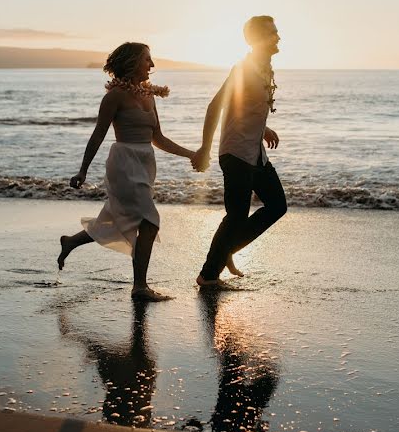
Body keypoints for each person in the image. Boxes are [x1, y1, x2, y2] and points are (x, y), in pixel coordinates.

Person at [58, 42, 194, 301]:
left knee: (117, 218)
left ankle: (71, 242)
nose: (152, 65)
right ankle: (140, 287)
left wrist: (191, 154)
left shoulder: (150, 95)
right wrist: (83, 170)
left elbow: (159, 138)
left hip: (145, 161)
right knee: (149, 222)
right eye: (147, 60)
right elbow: (98, 134)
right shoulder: (114, 97)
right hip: (124, 163)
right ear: (132, 62)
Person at [191, 16, 287, 286]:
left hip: (255, 152)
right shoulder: (243, 70)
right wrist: (205, 149)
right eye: (272, 33)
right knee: (236, 216)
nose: (278, 37)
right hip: (235, 152)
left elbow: (248, 104)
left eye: (277, 32)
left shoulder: (265, 69)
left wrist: (263, 127)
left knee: (277, 206)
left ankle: (224, 252)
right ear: (256, 40)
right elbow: (216, 106)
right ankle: (208, 275)